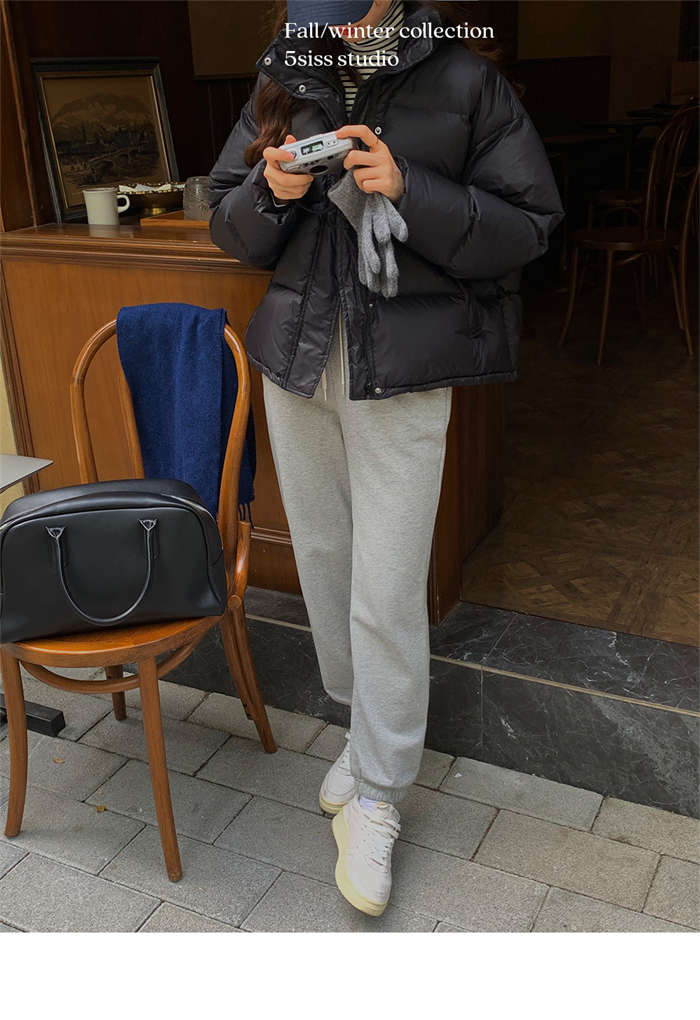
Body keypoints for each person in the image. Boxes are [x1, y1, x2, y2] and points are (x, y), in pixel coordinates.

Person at [208, 0, 564, 918]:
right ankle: (360, 731)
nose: (332, 24)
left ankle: (380, 790)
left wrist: (409, 188)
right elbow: (227, 224)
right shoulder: (286, 70)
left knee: (388, 583)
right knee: (326, 565)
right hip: (299, 365)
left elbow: (530, 224)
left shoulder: (465, 80)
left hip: (402, 371)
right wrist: (272, 193)